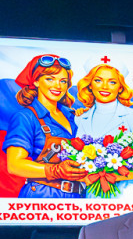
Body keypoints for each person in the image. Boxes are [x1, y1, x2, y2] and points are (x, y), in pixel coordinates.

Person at [3, 53, 86, 197]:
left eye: (63, 81)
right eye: (50, 79)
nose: (58, 86)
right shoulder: (25, 117)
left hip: (78, 197)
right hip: (42, 196)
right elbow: (14, 165)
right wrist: (56, 171)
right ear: (36, 81)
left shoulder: (74, 116)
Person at [74, 56, 133, 138]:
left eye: (112, 82)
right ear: (90, 84)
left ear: (120, 87)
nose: (105, 87)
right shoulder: (80, 117)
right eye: (98, 80)